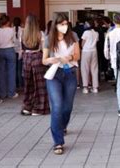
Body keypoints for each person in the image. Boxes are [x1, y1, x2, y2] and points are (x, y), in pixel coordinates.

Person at [42, 13, 80, 155]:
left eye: (66, 24)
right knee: (57, 106)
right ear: (56, 25)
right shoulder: (49, 39)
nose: (64, 27)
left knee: (67, 106)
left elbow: (77, 55)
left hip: (69, 72)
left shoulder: (73, 36)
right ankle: (58, 142)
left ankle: (62, 125)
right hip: (54, 74)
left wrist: (69, 57)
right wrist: (52, 60)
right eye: (61, 24)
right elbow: (44, 60)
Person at [21, 14, 49, 116]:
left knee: (28, 84)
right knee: (40, 85)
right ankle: (38, 108)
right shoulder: (40, 34)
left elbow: (22, 48)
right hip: (37, 58)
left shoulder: (22, 34)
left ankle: (27, 107)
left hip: (26, 59)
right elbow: (43, 48)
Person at [0, 15, 18, 99]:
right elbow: (14, 41)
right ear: (8, 22)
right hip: (10, 50)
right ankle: (11, 93)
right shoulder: (11, 30)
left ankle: (2, 93)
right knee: (11, 72)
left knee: (1, 73)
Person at [81, 18, 100, 94]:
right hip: (94, 51)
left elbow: (82, 43)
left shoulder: (85, 32)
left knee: (85, 69)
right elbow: (97, 41)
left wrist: (82, 47)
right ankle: (95, 87)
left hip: (86, 51)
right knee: (94, 69)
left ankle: (86, 88)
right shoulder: (96, 33)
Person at [13, 17, 24, 91]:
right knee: (20, 69)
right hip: (21, 51)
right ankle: (21, 84)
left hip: (13, 51)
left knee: (14, 69)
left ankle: (15, 84)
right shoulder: (23, 30)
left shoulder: (10, 30)